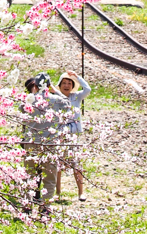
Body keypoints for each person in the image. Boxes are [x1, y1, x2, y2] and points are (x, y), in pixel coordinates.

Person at [22, 74, 66, 215]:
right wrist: (55, 90)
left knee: (30, 175)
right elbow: (68, 103)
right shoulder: (56, 100)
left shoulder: (28, 101)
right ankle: (46, 207)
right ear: (48, 86)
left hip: (32, 142)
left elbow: (20, 110)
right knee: (50, 177)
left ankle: (27, 205)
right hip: (50, 144)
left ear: (35, 86)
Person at [55, 71, 91, 201]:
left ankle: (81, 192)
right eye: (64, 83)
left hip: (73, 134)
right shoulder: (56, 98)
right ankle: (57, 192)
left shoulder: (76, 96)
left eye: (69, 83)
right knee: (58, 163)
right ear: (59, 85)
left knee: (76, 163)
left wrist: (78, 77)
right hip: (60, 134)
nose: (66, 85)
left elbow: (88, 89)